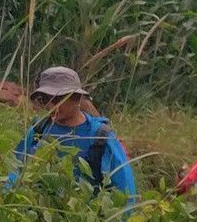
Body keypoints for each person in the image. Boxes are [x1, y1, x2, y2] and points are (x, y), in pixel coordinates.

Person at [7, 65, 137, 211]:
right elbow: (15, 168)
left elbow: (125, 190)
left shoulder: (101, 137)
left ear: (77, 98)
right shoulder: (38, 130)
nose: (50, 105)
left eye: (57, 99)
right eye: (44, 99)